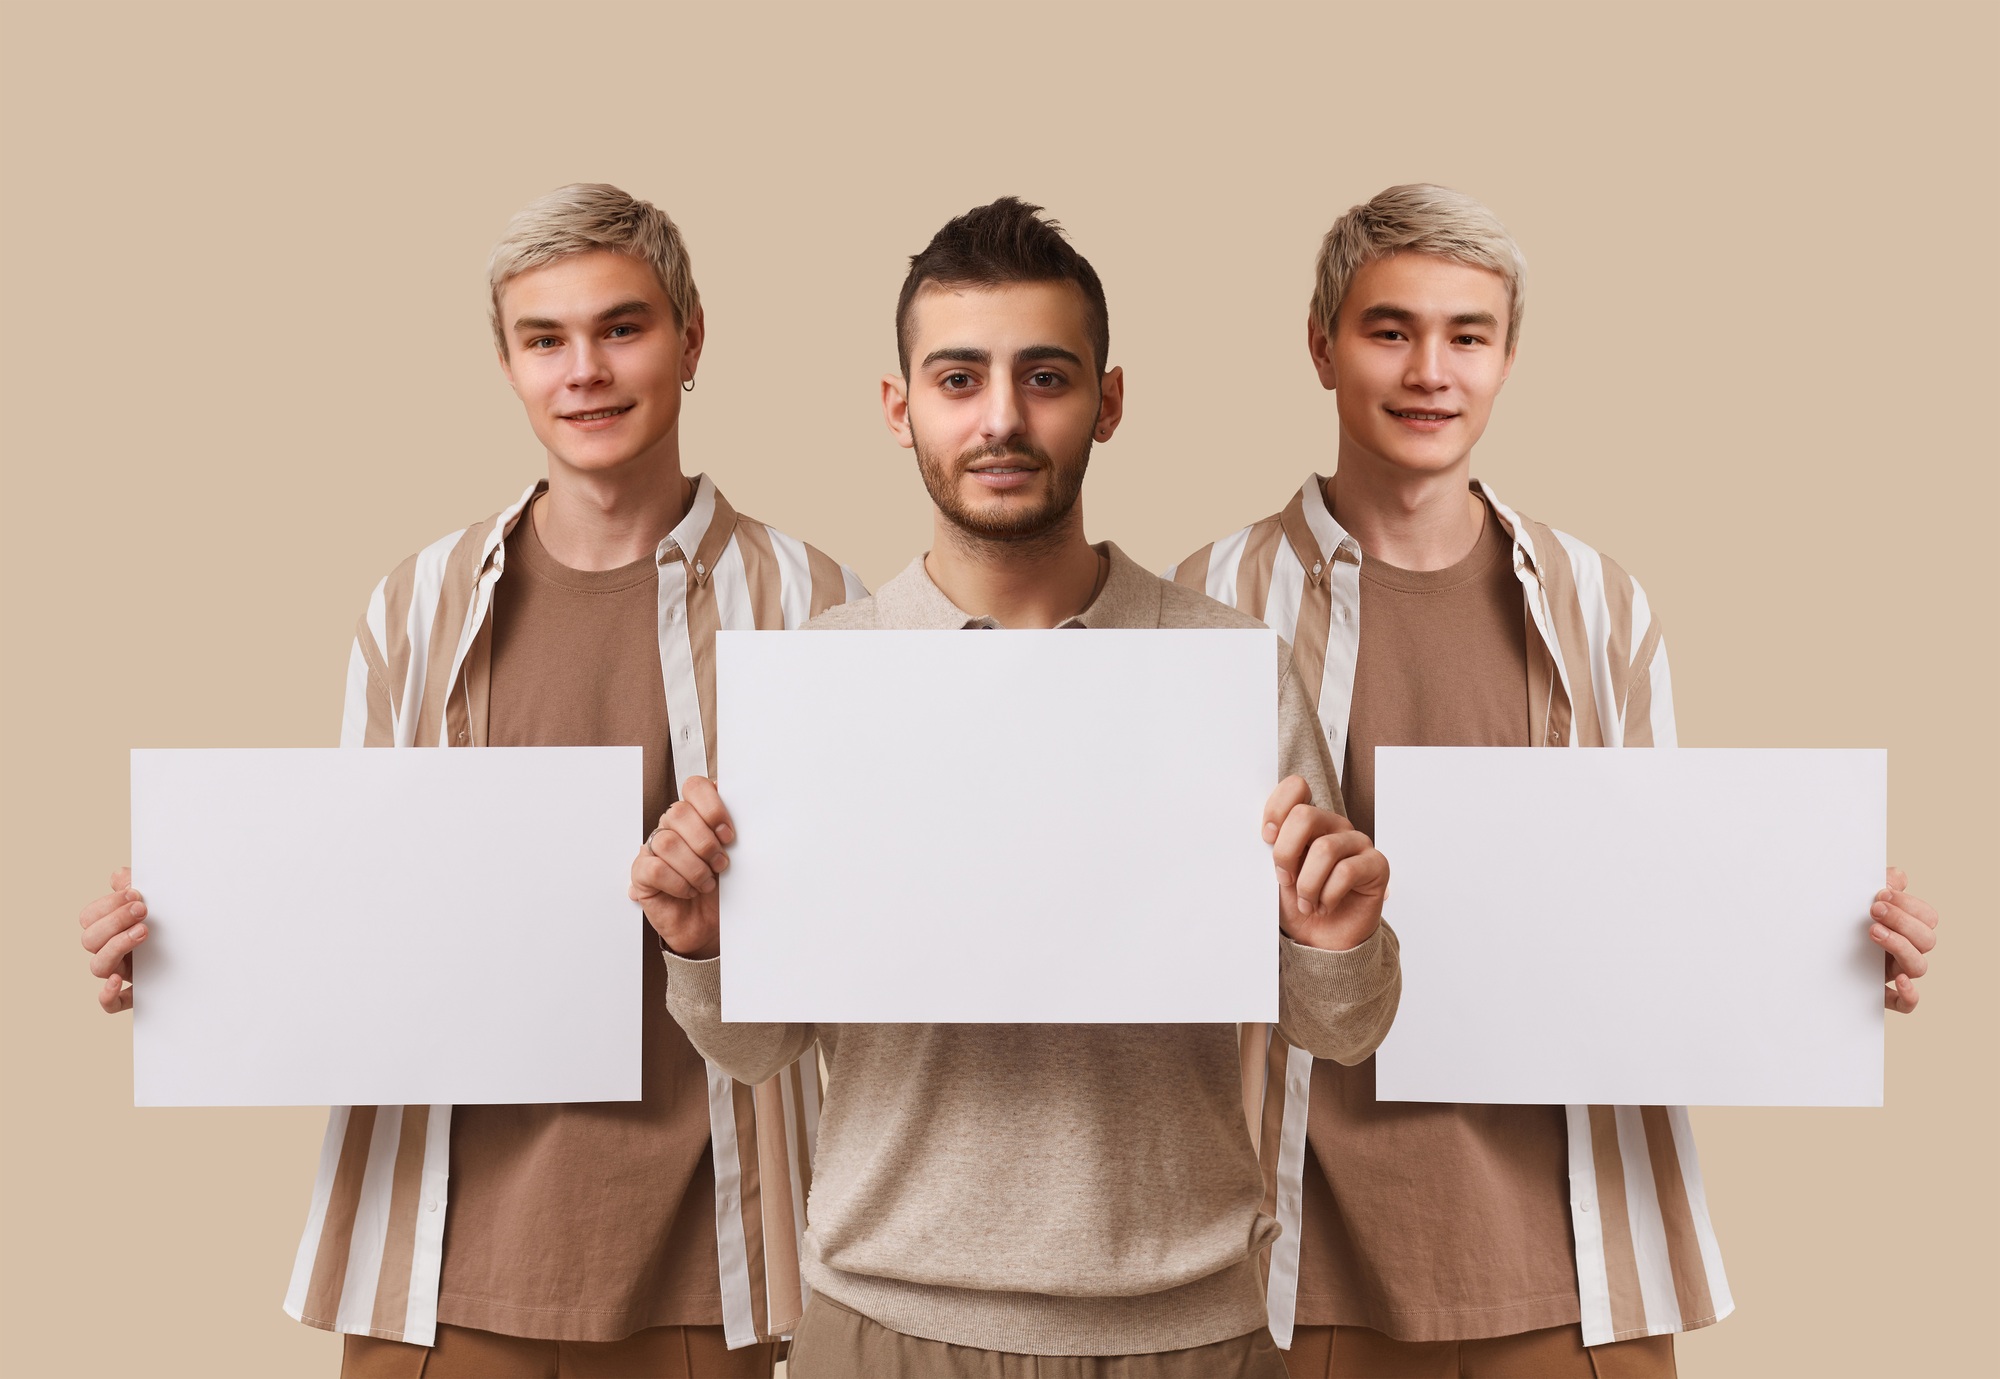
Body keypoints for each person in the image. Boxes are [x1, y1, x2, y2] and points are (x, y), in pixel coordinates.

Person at [76, 183, 864, 1378]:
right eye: (543, 339)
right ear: (507, 364)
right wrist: (193, 960)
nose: (583, 370)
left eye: (620, 327)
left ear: (690, 338)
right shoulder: (416, 606)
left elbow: (854, 946)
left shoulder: (814, 606)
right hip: (434, 1258)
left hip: (705, 1268)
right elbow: (351, 915)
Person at [1168, 182, 1943, 1379]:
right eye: (1390, 329)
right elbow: (1169, 927)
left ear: (1505, 358)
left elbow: (1661, 907)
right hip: (1304, 1270)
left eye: (1466, 335)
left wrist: (1827, 960)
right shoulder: (1207, 600)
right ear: (1319, 345)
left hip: (1578, 1258)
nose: (1431, 369)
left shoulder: (1599, 603)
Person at [632, 197, 1403, 1379]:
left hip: (1184, 1323)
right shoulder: (823, 677)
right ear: (899, 410)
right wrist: (699, 944)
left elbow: (1338, 1026)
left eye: (1043, 376)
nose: (1001, 418)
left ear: (1108, 400)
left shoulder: (1224, 664)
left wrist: (1338, 938)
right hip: (880, 1319)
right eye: (958, 379)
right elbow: (758, 1045)